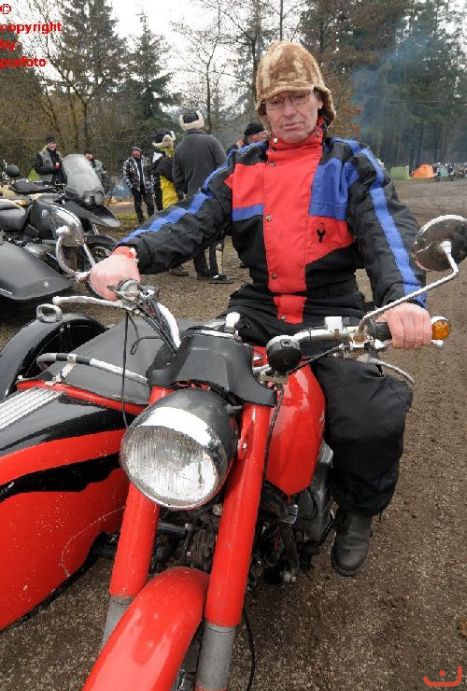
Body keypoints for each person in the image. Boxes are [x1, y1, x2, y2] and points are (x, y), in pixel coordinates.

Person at [90, 41, 432, 577]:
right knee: (182, 377)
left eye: (298, 97)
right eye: (276, 101)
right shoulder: (240, 167)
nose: (288, 110)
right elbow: (190, 217)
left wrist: (404, 300)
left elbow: (387, 230)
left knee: (368, 416)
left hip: (331, 311)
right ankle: (178, 480)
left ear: (320, 102)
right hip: (257, 306)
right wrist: (129, 252)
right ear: (264, 110)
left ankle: (358, 509)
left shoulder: (350, 163)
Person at [173, 110, 233, 284]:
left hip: (193, 197)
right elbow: (224, 167)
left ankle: (202, 271)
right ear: (200, 122)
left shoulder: (179, 148)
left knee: (198, 233)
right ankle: (216, 273)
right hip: (214, 194)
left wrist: (190, 189)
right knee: (217, 233)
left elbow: (177, 179)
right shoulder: (211, 141)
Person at [152, 130, 188, 277]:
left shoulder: (164, 158)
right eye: (170, 143)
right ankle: (174, 264)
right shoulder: (162, 161)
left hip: (170, 199)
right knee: (173, 232)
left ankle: (171, 262)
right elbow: (176, 176)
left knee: (171, 230)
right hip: (168, 200)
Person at [123, 145, 154, 224]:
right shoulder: (128, 162)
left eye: (137, 151)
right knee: (138, 205)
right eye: (134, 151)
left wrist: (151, 183)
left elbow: (151, 172)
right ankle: (141, 221)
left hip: (146, 186)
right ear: (132, 152)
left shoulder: (146, 160)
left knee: (150, 204)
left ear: (140, 152)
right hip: (135, 187)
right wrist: (131, 186)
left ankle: (152, 220)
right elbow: (125, 175)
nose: (135, 152)